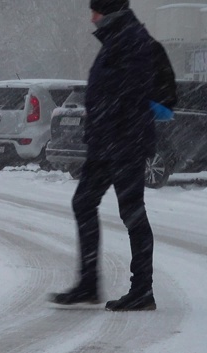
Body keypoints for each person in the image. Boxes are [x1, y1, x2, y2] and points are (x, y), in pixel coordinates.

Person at [50, 0, 175, 311]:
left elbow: (130, 94)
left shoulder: (132, 40)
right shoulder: (117, 41)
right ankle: (88, 284)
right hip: (107, 144)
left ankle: (142, 290)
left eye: (95, 11)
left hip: (124, 144)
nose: (91, 17)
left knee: (132, 212)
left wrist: (115, 131)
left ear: (110, 12)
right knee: (84, 202)